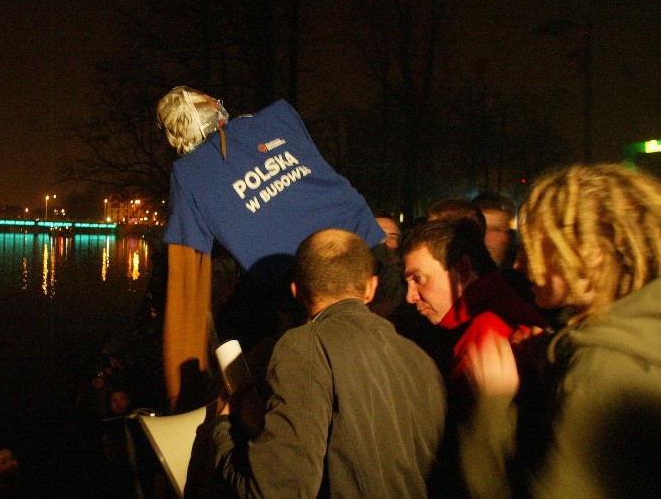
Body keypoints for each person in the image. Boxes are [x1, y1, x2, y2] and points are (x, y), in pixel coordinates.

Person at [156, 87, 385, 410]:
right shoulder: (281, 116)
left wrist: (182, 397)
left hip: (317, 288)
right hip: (372, 256)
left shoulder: (189, 174)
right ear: (217, 107)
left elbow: (186, 288)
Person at [461, 164, 661, 498]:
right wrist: (552, 350)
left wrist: (494, 404)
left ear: (593, 253)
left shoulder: (604, 370)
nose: (519, 264)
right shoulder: (638, 330)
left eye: (536, 248)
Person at [208, 228, 446, 497]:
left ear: (297, 292)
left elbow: (278, 490)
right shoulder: (419, 358)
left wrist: (223, 430)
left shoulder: (304, 347)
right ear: (371, 288)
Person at [400, 218, 547, 497]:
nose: (410, 296)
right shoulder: (484, 319)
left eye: (418, 279)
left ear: (462, 269)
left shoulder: (487, 332)